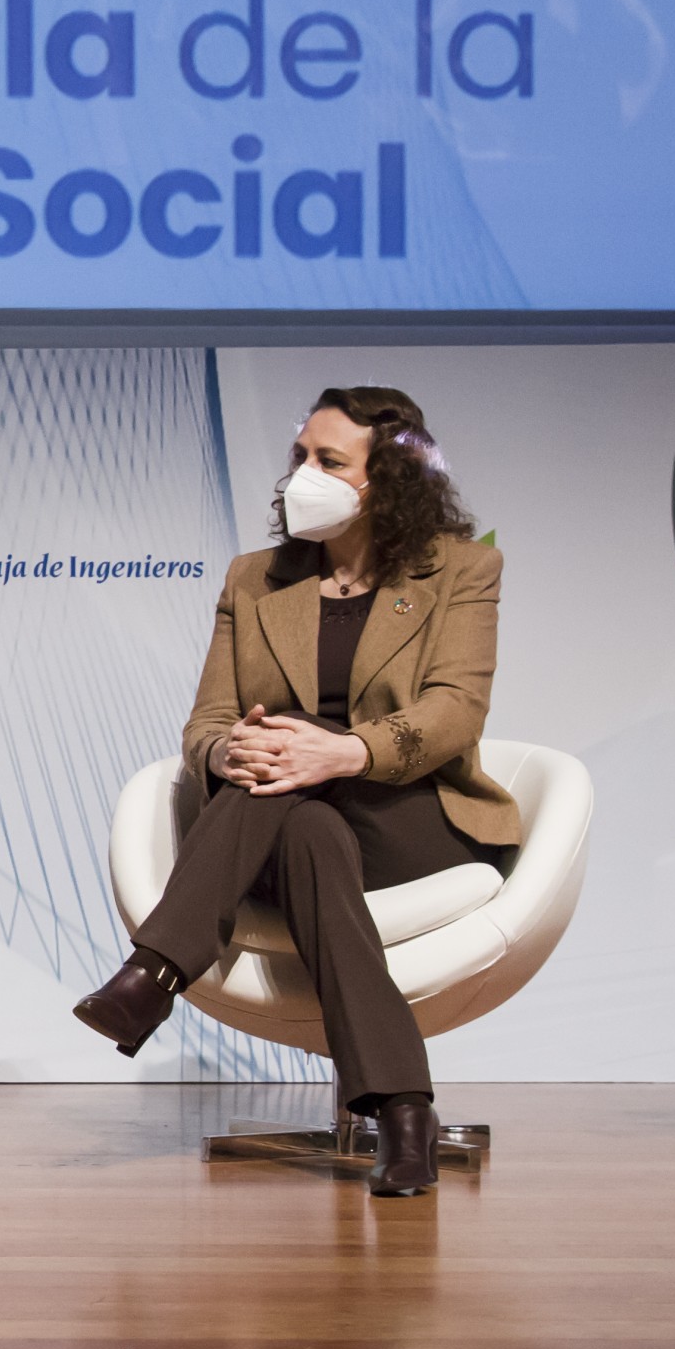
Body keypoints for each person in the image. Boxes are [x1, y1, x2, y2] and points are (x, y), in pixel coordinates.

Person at [71, 386, 518, 1197]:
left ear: (390, 478)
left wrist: (341, 751)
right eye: (300, 456)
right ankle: (405, 1111)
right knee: (304, 820)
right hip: (288, 828)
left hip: (409, 817)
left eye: (329, 460)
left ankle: (154, 971)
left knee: (297, 755)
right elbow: (207, 721)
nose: (303, 474)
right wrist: (230, 749)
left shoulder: (461, 568)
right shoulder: (254, 578)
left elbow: (456, 710)